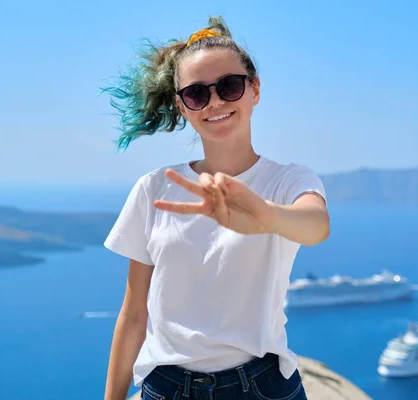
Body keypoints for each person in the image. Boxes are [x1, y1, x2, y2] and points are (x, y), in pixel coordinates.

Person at [101, 16, 330, 400]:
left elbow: (316, 225)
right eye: (197, 94)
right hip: (166, 388)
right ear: (182, 106)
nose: (216, 102)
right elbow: (134, 315)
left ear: (254, 89)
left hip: (262, 388)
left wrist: (266, 216)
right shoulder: (155, 188)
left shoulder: (289, 181)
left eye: (230, 85)